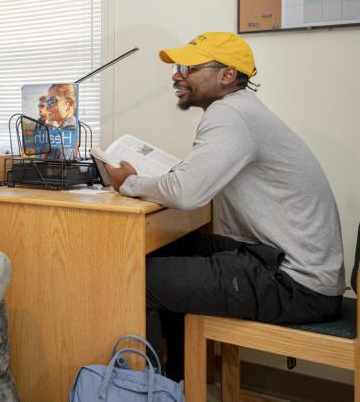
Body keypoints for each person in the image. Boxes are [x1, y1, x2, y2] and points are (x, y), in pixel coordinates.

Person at [103, 31, 345, 379]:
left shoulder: (230, 115)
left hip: (296, 284)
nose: (176, 75)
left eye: (187, 67)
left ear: (227, 75)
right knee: (165, 251)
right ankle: (178, 383)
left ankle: (156, 391)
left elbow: (187, 193)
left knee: (136, 280)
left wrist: (128, 182)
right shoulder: (240, 111)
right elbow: (194, 178)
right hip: (280, 261)